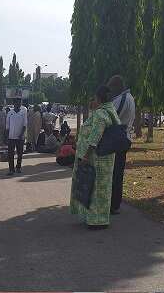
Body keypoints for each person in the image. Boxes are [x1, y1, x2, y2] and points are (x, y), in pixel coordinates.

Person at [70, 85, 121, 230]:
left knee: (93, 188)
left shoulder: (100, 114)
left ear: (99, 99)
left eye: (94, 98)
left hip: (96, 158)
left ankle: (96, 220)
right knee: (102, 188)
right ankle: (98, 218)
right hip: (106, 158)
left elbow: (95, 137)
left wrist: (85, 156)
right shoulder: (110, 111)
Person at [107, 75, 136, 215]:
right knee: (117, 173)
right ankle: (114, 203)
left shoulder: (122, 99)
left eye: (111, 88)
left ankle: (113, 204)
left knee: (114, 173)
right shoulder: (128, 98)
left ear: (117, 87)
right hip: (123, 138)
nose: (110, 92)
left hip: (118, 139)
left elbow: (111, 118)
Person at [6, 98, 27, 175]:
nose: (19, 104)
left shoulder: (23, 113)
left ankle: (18, 167)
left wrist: (21, 134)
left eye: (20, 103)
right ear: (14, 104)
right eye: (17, 103)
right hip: (11, 137)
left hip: (20, 138)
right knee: (10, 154)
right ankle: (11, 169)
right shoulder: (10, 113)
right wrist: (7, 137)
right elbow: (7, 126)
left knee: (20, 154)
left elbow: (25, 125)